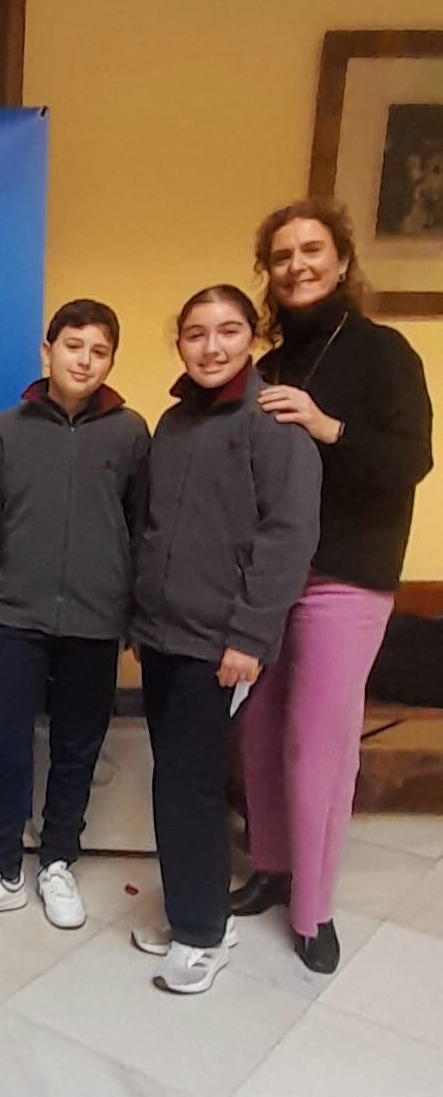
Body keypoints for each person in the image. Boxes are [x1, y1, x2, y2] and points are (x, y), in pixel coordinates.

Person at [230, 199, 434, 973]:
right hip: (274, 575)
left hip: (346, 577)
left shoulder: (384, 352)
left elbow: (409, 462)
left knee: (318, 742)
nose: (297, 265)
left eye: (311, 251)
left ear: (342, 261)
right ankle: (274, 868)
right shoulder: (271, 363)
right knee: (257, 729)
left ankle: (313, 910)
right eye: (281, 256)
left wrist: (328, 428)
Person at [130, 285, 321, 994]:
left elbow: (288, 537)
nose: (212, 347)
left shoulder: (274, 423)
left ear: (251, 338)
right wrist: (139, 618)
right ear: (179, 343)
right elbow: (151, 528)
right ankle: (193, 908)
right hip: (162, 635)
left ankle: (203, 933)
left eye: (229, 331)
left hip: (221, 645)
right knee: (174, 778)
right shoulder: (173, 424)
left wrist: (249, 635)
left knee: (193, 786)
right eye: (196, 333)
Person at [0, 299, 149, 929]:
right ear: (47, 350)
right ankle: (2, 868)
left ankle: (58, 860)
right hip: (13, 620)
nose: (84, 359)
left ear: (111, 360)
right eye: (73, 345)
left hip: (95, 624)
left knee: (77, 746)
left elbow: (144, 531)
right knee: (2, 744)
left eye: (99, 350)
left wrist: (132, 618)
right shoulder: (5, 431)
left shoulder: (131, 432)